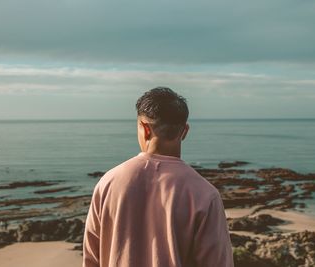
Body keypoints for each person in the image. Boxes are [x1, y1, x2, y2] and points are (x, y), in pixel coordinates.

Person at [83, 87, 234, 267]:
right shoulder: (205, 194)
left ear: (145, 129)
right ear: (184, 131)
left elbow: (91, 258)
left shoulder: (108, 183)